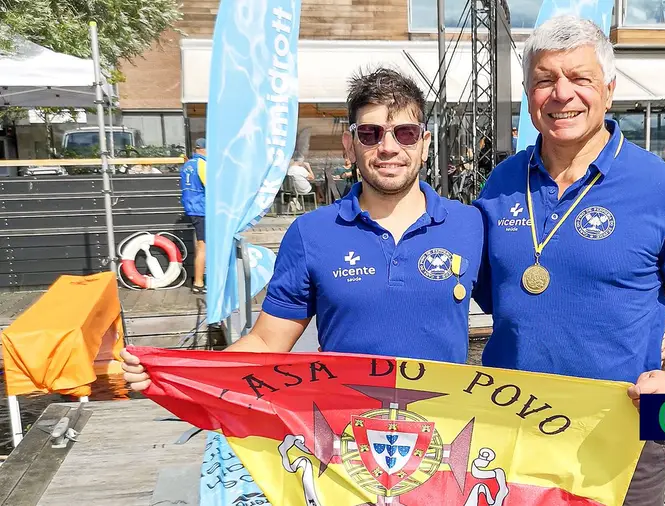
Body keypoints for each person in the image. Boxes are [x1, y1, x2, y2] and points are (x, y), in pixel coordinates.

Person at [472, 15, 665, 505]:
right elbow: (488, 291)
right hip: (511, 428)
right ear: (529, 94)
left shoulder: (663, 189)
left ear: (608, 90)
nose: (561, 94)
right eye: (545, 80)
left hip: (619, 435)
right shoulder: (501, 182)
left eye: (580, 79)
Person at [123, 67, 486, 387]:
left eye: (405, 133)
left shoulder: (468, 225)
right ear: (350, 146)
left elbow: (519, 314)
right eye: (371, 134)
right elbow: (267, 342)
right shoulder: (311, 234)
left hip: (440, 445)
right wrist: (177, 369)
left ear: (424, 144)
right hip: (343, 446)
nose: (388, 147)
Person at [179, 138, 207, 294]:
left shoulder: (187, 165)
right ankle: (198, 283)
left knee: (200, 246)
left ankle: (199, 279)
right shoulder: (202, 164)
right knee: (203, 247)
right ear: (203, 149)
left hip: (192, 208)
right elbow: (211, 186)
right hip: (202, 209)